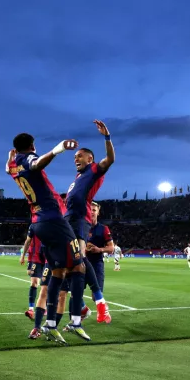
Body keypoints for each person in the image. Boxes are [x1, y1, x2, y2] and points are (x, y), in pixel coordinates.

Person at [6, 134, 90, 344]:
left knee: (58, 272)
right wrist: (58, 149)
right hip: (53, 219)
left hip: (38, 223)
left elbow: (8, 169)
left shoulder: (14, 166)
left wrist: (9, 158)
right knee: (79, 267)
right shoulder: (28, 159)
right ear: (32, 145)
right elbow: (36, 164)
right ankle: (76, 322)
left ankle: (50, 326)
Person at [64, 120, 115, 327]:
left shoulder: (94, 170)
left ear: (90, 159)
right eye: (75, 156)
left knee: (79, 258)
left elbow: (110, 159)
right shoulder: (77, 177)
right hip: (68, 220)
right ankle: (82, 308)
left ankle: (100, 303)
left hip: (79, 220)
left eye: (79, 156)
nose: (76, 158)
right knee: (71, 265)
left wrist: (107, 137)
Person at [85, 202, 114, 292]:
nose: (92, 212)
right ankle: (82, 307)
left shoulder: (103, 229)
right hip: (81, 264)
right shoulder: (81, 227)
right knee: (76, 295)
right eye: (90, 210)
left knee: (97, 295)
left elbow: (111, 248)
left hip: (96, 265)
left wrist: (99, 249)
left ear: (98, 213)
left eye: (94, 210)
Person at [20, 225, 45, 320]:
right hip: (36, 257)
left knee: (47, 284)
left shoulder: (53, 222)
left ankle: (45, 306)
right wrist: (23, 256)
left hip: (49, 256)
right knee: (34, 282)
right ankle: (31, 309)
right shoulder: (34, 225)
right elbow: (28, 241)